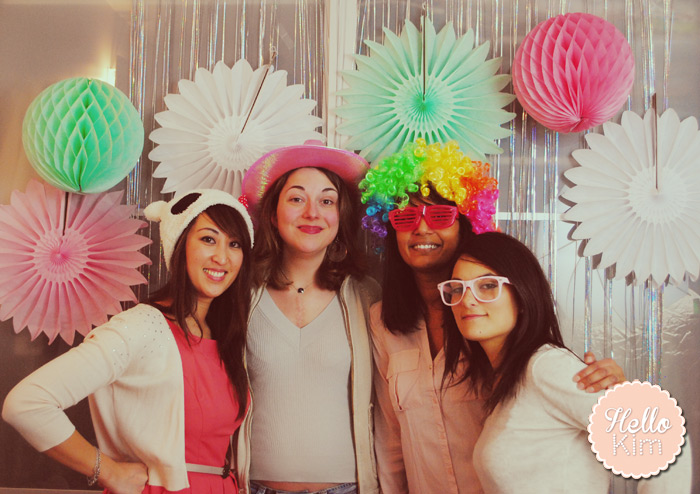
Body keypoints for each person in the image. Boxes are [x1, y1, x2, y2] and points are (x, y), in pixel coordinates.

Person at [358, 139, 626, 494]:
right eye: (406, 217)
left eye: (440, 215)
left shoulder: (493, 316)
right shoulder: (382, 322)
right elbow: (391, 439)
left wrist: (611, 389)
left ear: (465, 223)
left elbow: (553, 389)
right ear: (390, 229)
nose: (422, 229)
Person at [3, 189, 255, 494]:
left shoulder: (227, 338)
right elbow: (26, 403)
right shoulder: (144, 326)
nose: (222, 257)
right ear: (179, 245)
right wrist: (107, 471)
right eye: (208, 239)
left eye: (235, 244)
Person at [440, 231, 692, 493]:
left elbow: (665, 440)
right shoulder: (505, 380)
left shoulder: (544, 367)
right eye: (457, 288)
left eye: (487, 285)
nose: (467, 299)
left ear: (523, 295)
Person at [240, 141, 380, 494]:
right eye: (297, 198)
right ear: (273, 215)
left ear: (341, 217)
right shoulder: (240, 296)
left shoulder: (367, 296)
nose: (312, 213)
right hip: (253, 488)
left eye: (327, 201)